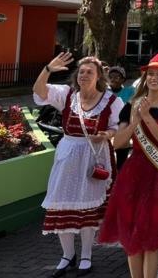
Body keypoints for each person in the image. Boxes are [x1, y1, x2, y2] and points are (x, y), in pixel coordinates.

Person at [33, 53, 123, 277]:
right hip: (68, 154)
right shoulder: (67, 95)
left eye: (89, 72)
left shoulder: (111, 100)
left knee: (87, 209)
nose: (84, 75)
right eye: (81, 71)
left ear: (98, 76)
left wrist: (107, 134)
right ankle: (67, 255)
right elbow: (39, 92)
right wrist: (47, 69)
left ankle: (86, 256)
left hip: (94, 156)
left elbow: (120, 126)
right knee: (63, 204)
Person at [98, 54, 158, 278]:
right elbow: (118, 142)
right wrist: (135, 121)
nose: (154, 77)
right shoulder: (131, 105)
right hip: (135, 172)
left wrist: (146, 117)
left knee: (152, 235)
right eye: (151, 74)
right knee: (132, 233)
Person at [108, 65, 135, 170]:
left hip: (122, 128)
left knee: (121, 163)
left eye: (117, 77)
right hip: (107, 129)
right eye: (111, 76)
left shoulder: (130, 91)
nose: (113, 79)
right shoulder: (104, 92)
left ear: (123, 80)